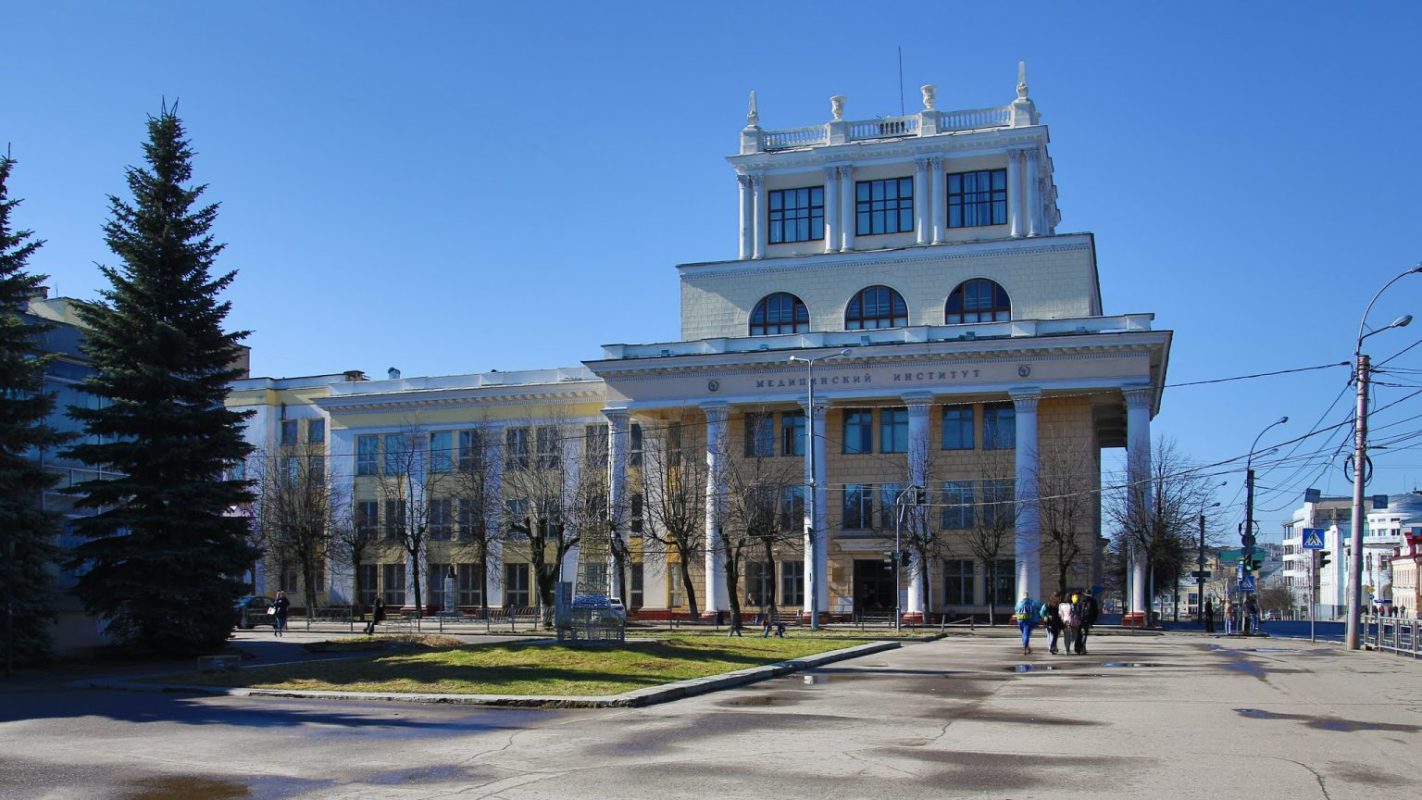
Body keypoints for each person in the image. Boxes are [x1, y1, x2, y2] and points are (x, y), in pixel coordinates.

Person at [1076, 589, 1099, 655]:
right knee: (1085, 633)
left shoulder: (1081, 600)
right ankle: (1083, 646)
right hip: (1088, 619)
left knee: (1079, 633)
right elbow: (1095, 611)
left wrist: (1078, 617)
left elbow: (1078, 610)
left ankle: (1079, 647)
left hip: (1080, 619)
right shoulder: (1093, 601)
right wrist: (1093, 620)